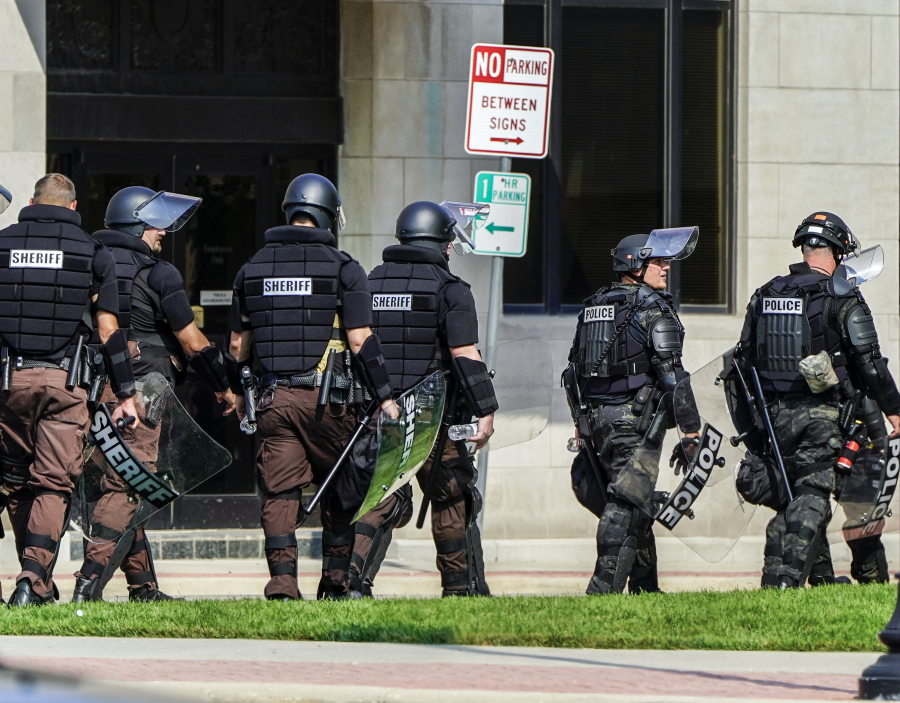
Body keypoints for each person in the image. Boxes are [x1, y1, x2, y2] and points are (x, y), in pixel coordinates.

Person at [227, 173, 396, 601]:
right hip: (330, 404)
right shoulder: (344, 268)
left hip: (274, 400)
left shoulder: (252, 268)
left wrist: (233, 393)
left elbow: (236, 345)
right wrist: (385, 395)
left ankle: (282, 582)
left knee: (280, 491)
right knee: (341, 488)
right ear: (327, 215)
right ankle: (335, 582)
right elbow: (360, 339)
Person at [72, 186, 236, 603]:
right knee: (129, 485)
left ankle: (143, 587)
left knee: (119, 480)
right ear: (137, 224)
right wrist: (223, 386)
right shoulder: (158, 272)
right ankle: (88, 585)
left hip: (86, 389)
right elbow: (194, 342)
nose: (162, 233)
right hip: (142, 393)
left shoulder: (87, 263)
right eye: (155, 225)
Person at [736, 212, 900, 589]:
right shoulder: (842, 296)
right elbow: (870, 365)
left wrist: (756, 423)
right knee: (822, 497)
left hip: (774, 419)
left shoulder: (766, 293)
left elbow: (743, 361)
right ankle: (793, 582)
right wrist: (894, 408)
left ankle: (822, 582)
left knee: (798, 496)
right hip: (828, 419)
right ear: (838, 251)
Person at [347, 200, 498, 599]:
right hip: (435, 418)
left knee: (381, 495)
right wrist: (486, 409)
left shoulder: (368, 283)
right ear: (444, 244)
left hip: (380, 412)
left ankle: (351, 583)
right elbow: (464, 354)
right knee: (453, 497)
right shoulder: (451, 290)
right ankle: (461, 589)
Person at [0, 174, 138, 606]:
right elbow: (109, 329)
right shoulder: (93, 252)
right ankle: (32, 579)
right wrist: (126, 391)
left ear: (30, 202)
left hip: (9, 383)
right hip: (65, 384)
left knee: (17, 483)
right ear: (74, 208)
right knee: (52, 485)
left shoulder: (2, 243)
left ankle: (33, 580)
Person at [566, 228, 700, 595]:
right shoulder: (653, 307)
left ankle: (645, 589)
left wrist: (581, 425)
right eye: (657, 261)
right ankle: (601, 592)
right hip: (633, 424)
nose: (665, 267)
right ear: (635, 264)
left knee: (635, 502)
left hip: (597, 423)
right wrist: (691, 431)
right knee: (624, 503)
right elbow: (673, 374)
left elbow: (573, 371)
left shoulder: (594, 305)